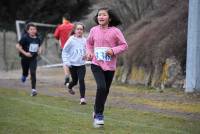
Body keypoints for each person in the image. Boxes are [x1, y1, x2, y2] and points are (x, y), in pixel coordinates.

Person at [86, 7, 128, 127]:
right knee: (101, 87)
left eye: (104, 15)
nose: (101, 17)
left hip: (110, 66)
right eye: (99, 15)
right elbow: (89, 43)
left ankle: (96, 110)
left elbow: (124, 45)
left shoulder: (115, 31)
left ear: (109, 18)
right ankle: (99, 115)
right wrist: (89, 52)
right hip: (96, 63)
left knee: (105, 91)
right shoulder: (94, 30)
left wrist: (113, 50)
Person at [62, 22, 87, 105]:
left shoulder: (85, 40)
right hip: (72, 65)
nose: (79, 31)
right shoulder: (71, 40)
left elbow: (88, 50)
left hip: (82, 64)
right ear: (75, 30)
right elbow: (64, 51)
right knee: (75, 81)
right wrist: (66, 62)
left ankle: (82, 99)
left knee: (81, 80)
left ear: (83, 31)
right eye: (78, 29)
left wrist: (87, 55)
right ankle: (69, 86)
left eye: (81, 29)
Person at [16, 23, 42, 96]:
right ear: (28, 31)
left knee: (33, 73)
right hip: (24, 58)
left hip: (33, 58)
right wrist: (25, 53)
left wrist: (40, 50)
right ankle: (24, 75)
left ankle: (33, 90)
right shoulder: (25, 38)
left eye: (34, 29)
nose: (33, 31)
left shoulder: (38, 38)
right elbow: (17, 46)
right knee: (25, 72)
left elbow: (40, 46)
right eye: (31, 29)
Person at [54, 13, 74, 86]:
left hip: (64, 47)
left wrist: (60, 38)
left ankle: (67, 77)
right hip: (73, 47)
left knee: (65, 62)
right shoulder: (73, 26)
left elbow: (56, 36)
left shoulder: (60, 27)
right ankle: (74, 77)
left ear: (64, 19)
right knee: (73, 62)